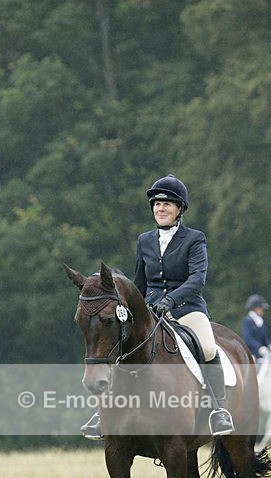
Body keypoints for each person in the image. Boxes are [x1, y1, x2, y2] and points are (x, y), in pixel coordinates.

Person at [81, 174, 234, 438]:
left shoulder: (194, 239)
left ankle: (218, 410)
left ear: (179, 209)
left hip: (187, 309)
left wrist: (172, 300)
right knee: (120, 344)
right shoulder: (145, 240)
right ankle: (103, 413)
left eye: (167, 204)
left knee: (208, 347)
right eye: (157, 204)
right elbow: (138, 282)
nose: (160, 208)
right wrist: (129, 309)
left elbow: (197, 279)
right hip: (150, 311)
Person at [241, 294, 271, 369]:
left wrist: (270, 344)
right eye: (261, 308)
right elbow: (248, 339)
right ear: (254, 308)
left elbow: (265, 337)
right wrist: (259, 348)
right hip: (251, 353)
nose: (263, 310)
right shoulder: (247, 321)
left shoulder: (261, 321)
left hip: (263, 354)